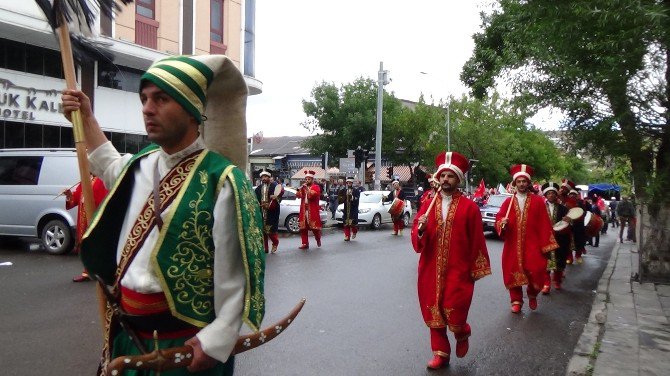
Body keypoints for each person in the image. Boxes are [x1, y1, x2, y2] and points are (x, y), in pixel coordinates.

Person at [62, 55, 265, 375]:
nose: (147, 108)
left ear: (190, 109)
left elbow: (236, 277)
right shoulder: (139, 164)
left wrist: (215, 340)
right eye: (144, 98)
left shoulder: (220, 180)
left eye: (161, 98)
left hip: (185, 349)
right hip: (127, 338)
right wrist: (86, 118)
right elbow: (108, 164)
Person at [411, 151, 491, 369]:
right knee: (433, 311)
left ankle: (462, 331)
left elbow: (476, 240)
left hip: (459, 270)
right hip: (430, 268)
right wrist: (421, 229)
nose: (445, 180)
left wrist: (476, 268)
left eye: (450, 176)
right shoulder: (428, 204)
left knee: (454, 312)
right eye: (442, 176)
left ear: (458, 180)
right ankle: (441, 354)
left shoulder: (470, 207)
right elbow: (417, 238)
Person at [495, 164, 558, 313]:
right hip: (512, 245)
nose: (522, 184)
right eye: (519, 181)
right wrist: (501, 224)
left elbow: (544, 224)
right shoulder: (508, 202)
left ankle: (532, 293)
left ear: (528, 183)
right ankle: (516, 300)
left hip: (533, 245)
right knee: (512, 271)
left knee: (536, 271)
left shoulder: (537, 201)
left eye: (524, 181)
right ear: (515, 183)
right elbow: (500, 218)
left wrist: (546, 246)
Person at [64, 174, 108, 282]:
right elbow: (75, 199)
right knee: (85, 245)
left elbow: (104, 200)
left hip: (95, 217)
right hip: (83, 219)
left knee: (97, 245)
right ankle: (88, 271)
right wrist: (69, 195)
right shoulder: (84, 180)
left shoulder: (101, 180)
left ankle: (100, 271)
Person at [541, 182, 570, 293]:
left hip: (560, 239)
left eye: (553, 193)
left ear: (556, 195)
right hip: (545, 238)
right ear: (545, 195)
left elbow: (568, 223)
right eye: (549, 193)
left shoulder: (563, 208)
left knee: (559, 262)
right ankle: (546, 284)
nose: (551, 195)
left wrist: (568, 220)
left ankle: (557, 281)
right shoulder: (541, 207)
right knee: (545, 262)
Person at [255, 170, 283, 253]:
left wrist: (275, 196)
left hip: (271, 212)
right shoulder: (259, 188)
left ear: (269, 177)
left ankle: (275, 242)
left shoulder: (274, 185)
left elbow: (281, 191)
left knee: (271, 231)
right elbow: (255, 197)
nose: (264, 178)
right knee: (263, 232)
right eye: (262, 177)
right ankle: (265, 248)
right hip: (261, 212)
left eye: (265, 177)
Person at [296, 169, 322, 249]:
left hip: (312, 210)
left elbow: (312, 195)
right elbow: (298, 195)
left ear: (312, 179)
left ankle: (318, 239)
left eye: (309, 179)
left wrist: (306, 189)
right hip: (304, 210)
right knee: (303, 228)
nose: (307, 180)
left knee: (315, 228)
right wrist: (299, 190)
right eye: (306, 179)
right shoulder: (303, 188)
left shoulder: (316, 187)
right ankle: (305, 243)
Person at [338, 177, 360, 241]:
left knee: (353, 223)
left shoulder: (356, 190)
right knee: (345, 223)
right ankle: (347, 236)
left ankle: (354, 231)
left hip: (353, 209)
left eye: (350, 183)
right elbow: (341, 198)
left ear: (352, 183)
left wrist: (352, 197)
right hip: (346, 208)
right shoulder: (344, 190)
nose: (348, 184)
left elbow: (357, 198)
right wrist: (340, 198)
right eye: (347, 183)